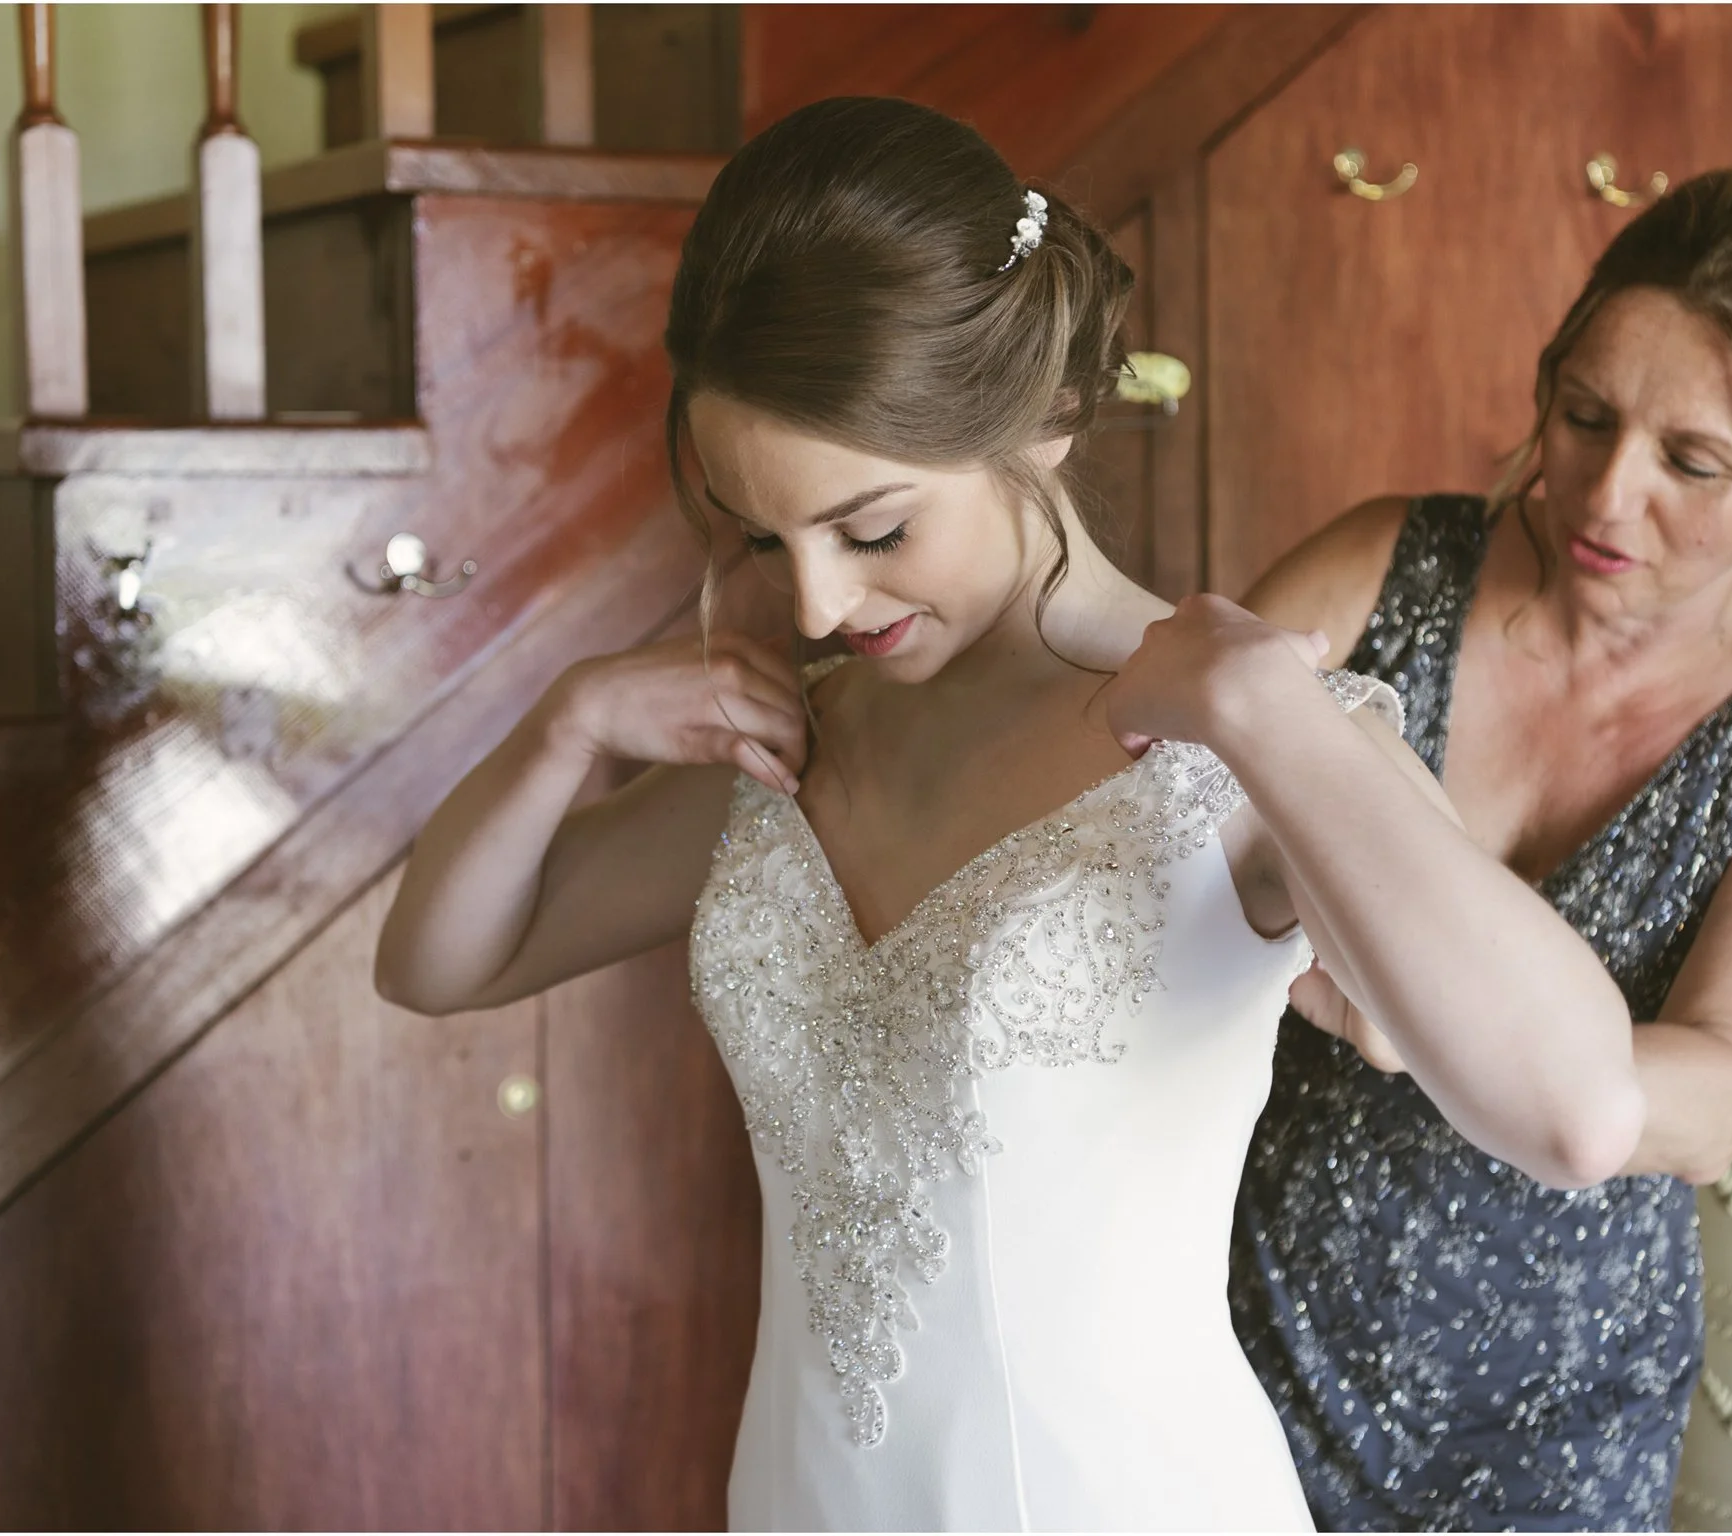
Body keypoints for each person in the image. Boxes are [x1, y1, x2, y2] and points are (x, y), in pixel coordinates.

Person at [374, 97, 1648, 1531]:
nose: (817, 603)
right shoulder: (800, 741)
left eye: (873, 530)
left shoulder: (1247, 748)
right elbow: (441, 962)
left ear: (1043, 424)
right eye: (760, 535)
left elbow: (1582, 1116)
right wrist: (567, 726)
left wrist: (1269, 710)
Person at [1226, 164, 1732, 1531]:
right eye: (1584, 415)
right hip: (1247, 1337)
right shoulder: (1382, 568)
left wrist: (1443, 1031)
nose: (1604, 494)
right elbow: (1139, 815)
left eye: (1693, 463)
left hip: (1553, 1420)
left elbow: (1721, 1090)